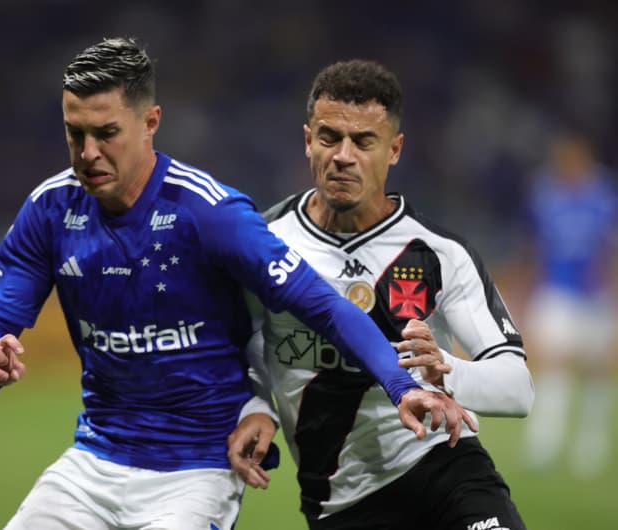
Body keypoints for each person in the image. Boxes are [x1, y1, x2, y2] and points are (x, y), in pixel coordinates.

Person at [0, 38, 475, 530]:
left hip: (197, 469)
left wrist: (402, 383)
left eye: (106, 132)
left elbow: (323, 306)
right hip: (93, 460)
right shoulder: (51, 210)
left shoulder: (209, 213)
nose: (88, 151)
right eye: (75, 133)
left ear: (150, 122)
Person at [228, 59, 534, 529]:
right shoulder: (264, 243)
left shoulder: (439, 253)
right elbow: (239, 347)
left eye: (363, 141)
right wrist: (257, 406)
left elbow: (518, 387)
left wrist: (446, 372)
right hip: (340, 501)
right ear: (308, 140)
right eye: (330, 137)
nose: (343, 155)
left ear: (394, 150)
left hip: (446, 470)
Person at [520, 129, 617, 479]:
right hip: (557, 291)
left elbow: (611, 249)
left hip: (595, 295)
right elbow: (535, 244)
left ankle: (591, 447)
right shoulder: (545, 192)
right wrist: (529, 289)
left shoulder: (605, 194)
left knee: (595, 370)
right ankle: (545, 442)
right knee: (553, 365)